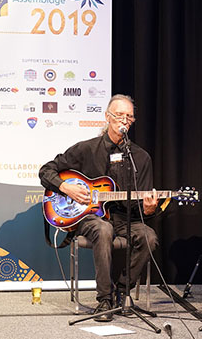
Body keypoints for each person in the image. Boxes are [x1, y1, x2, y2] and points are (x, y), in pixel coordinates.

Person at [39, 94, 159, 322]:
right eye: (119, 115)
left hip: (124, 219)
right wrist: (66, 188)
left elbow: (141, 209)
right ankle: (104, 298)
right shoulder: (86, 149)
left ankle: (123, 291)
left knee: (149, 236)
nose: (124, 121)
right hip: (90, 218)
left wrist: (150, 210)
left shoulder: (141, 158)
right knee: (103, 229)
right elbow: (46, 171)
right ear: (107, 117)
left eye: (129, 117)